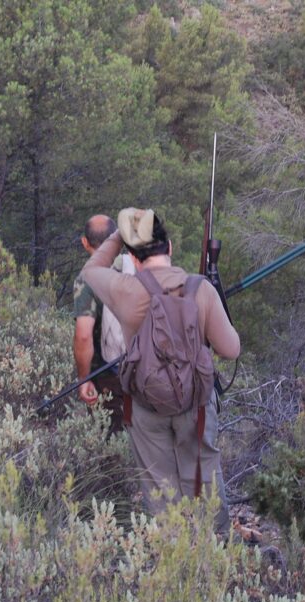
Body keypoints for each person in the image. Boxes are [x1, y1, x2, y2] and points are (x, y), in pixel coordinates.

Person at [81, 208, 240, 533]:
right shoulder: (200, 289)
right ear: (169, 249)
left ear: (133, 258)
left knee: (158, 484)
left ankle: (168, 557)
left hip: (145, 404)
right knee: (204, 473)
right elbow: (231, 349)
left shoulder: (124, 290)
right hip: (195, 402)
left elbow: (91, 268)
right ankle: (217, 551)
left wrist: (120, 233)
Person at [72, 214, 126, 433]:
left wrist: (84, 378)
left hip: (106, 375)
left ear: (85, 242)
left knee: (110, 440)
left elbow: (83, 335)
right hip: (145, 371)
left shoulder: (87, 279)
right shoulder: (137, 268)